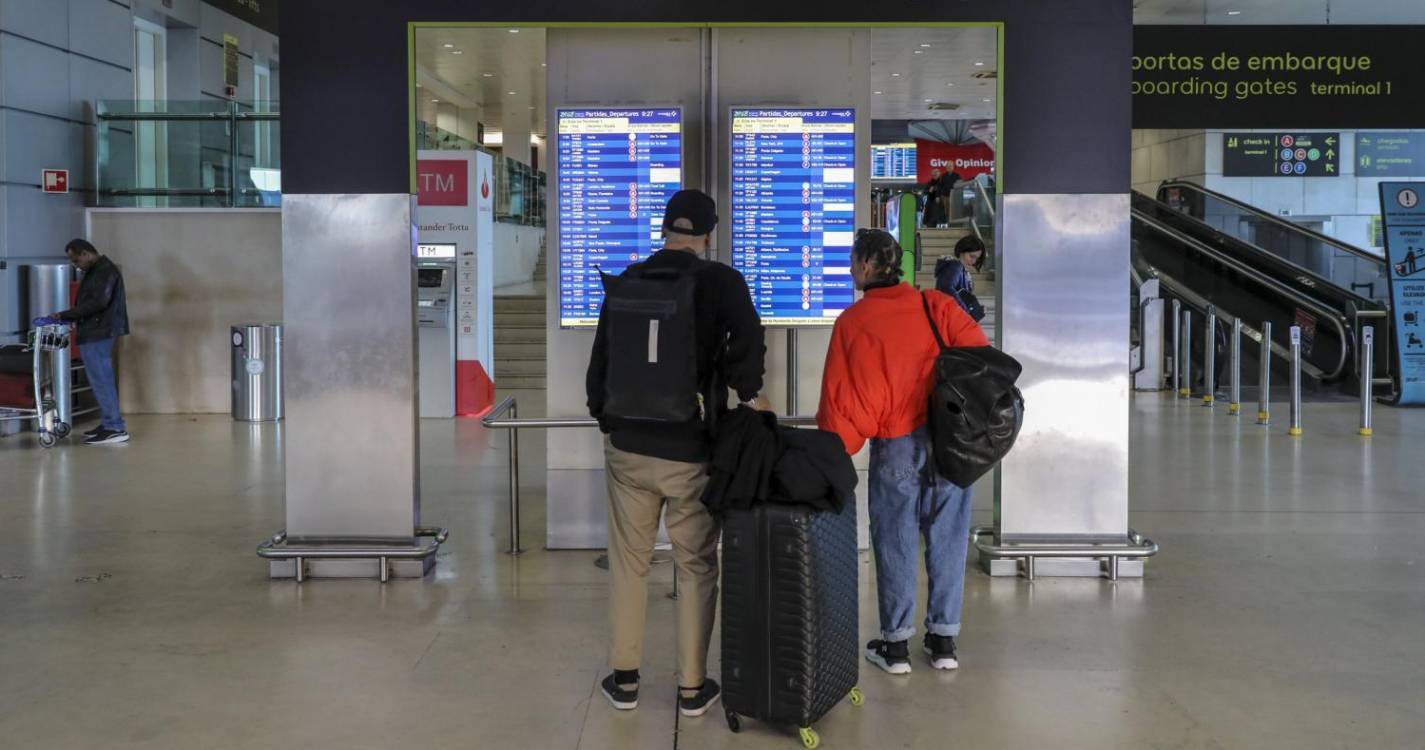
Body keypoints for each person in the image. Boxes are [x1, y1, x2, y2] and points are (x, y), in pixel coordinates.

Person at [586, 189, 768, 717]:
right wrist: (747, 391)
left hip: (628, 449)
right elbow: (748, 347)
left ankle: (624, 682)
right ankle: (692, 687)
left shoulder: (631, 280)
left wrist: (610, 423)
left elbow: (600, 366)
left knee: (629, 564)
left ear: (665, 229)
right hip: (692, 449)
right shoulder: (721, 281)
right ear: (709, 234)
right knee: (695, 565)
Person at [816, 228, 988, 675]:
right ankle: (944, 641)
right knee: (948, 536)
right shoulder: (937, 306)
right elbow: (979, 356)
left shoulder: (853, 323)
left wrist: (837, 449)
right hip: (951, 442)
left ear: (869, 266)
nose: (851, 269)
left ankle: (895, 648)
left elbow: (840, 401)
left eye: (854, 261)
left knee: (894, 539)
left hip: (895, 444)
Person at [31, 239, 130, 445]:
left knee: (102, 380)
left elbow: (97, 302)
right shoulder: (97, 270)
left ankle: (115, 427)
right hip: (96, 330)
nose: (76, 265)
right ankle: (109, 423)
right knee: (100, 379)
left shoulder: (104, 271)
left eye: (77, 260)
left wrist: (65, 315)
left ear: (86, 253)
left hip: (98, 332)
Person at [933, 234, 986, 315]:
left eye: (976, 258)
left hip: (946, 315)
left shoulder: (959, 269)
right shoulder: (956, 267)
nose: (974, 261)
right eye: (972, 256)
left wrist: (975, 309)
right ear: (962, 251)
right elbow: (946, 288)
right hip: (947, 317)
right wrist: (965, 312)